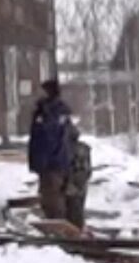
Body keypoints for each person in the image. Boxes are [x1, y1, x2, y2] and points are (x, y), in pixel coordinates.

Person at [28, 77, 73, 220]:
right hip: (54, 161)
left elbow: (47, 137)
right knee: (49, 196)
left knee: (52, 198)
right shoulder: (56, 111)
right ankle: (55, 224)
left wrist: (42, 160)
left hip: (52, 162)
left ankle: (57, 227)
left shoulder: (51, 112)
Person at [65, 122, 92, 230]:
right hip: (82, 183)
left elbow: (67, 168)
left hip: (72, 184)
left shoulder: (66, 149)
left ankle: (74, 236)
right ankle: (79, 230)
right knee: (79, 209)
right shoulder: (85, 148)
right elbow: (88, 168)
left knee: (72, 212)